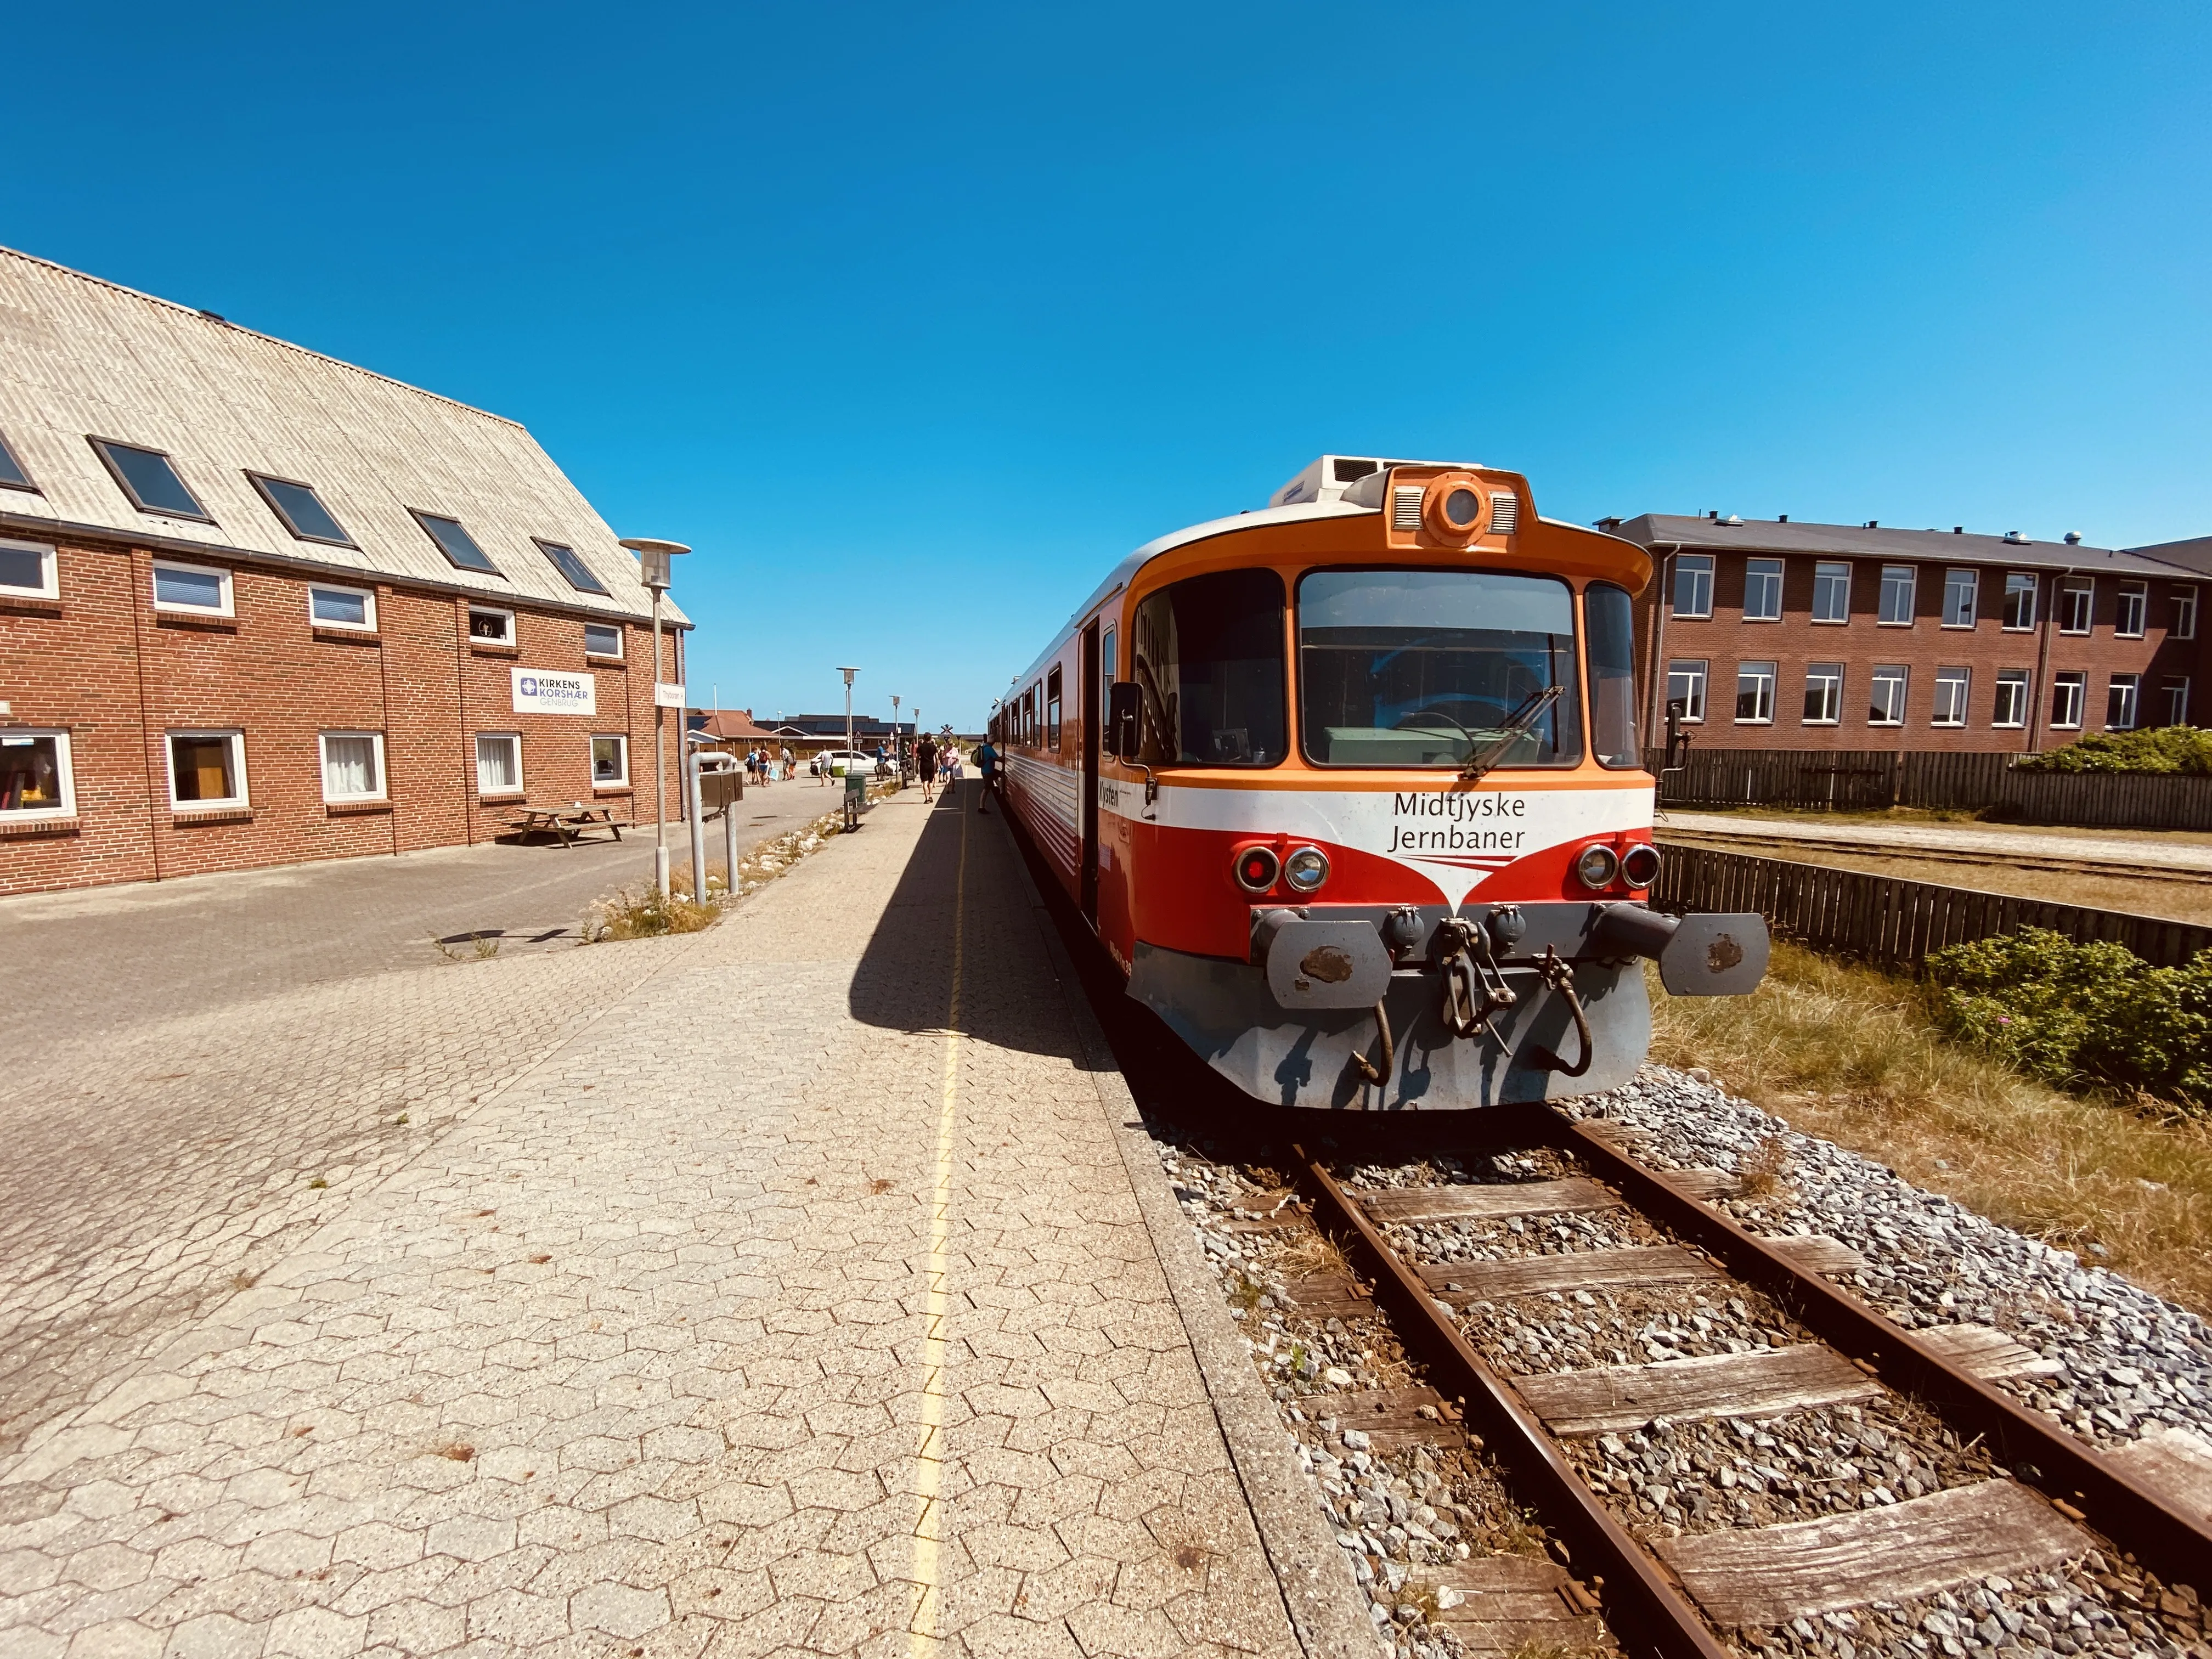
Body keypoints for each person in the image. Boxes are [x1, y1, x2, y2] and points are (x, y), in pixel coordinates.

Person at [973, 737, 999, 813]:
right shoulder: (989, 749)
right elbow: (997, 758)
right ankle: (981, 807)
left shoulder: (984, 747)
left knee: (1001, 775)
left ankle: (1001, 790)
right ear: (993, 742)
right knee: (986, 789)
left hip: (987, 771)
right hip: (988, 772)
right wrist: (1004, 758)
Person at [915, 734, 938, 802]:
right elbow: (937, 758)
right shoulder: (934, 747)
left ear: (924, 739)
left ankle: (927, 798)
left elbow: (917, 758)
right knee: (931, 781)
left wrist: (916, 766)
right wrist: (937, 766)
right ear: (930, 739)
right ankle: (930, 796)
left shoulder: (921, 747)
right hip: (931, 766)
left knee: (925, 783)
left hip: (923, 766)